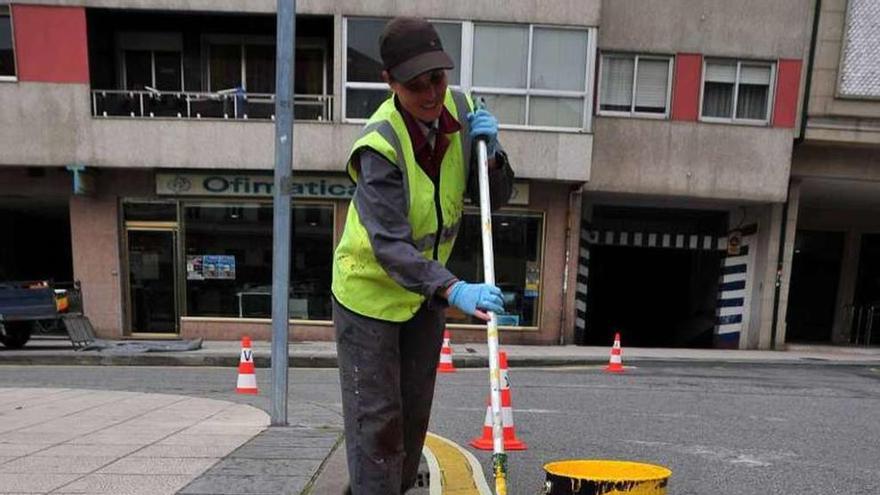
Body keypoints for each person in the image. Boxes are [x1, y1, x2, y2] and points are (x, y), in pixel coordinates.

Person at [331, 16, 515, 495]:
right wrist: (453, 287)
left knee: (411, 424)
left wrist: (492, 155)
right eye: (415, 86)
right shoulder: (380, 146)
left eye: (437, 78)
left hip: (421, 300)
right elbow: (390, 245)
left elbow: (494, 196)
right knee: (377, 428)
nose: (432, 94)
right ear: (389, 83)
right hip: (368, 297)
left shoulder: (461, 111)